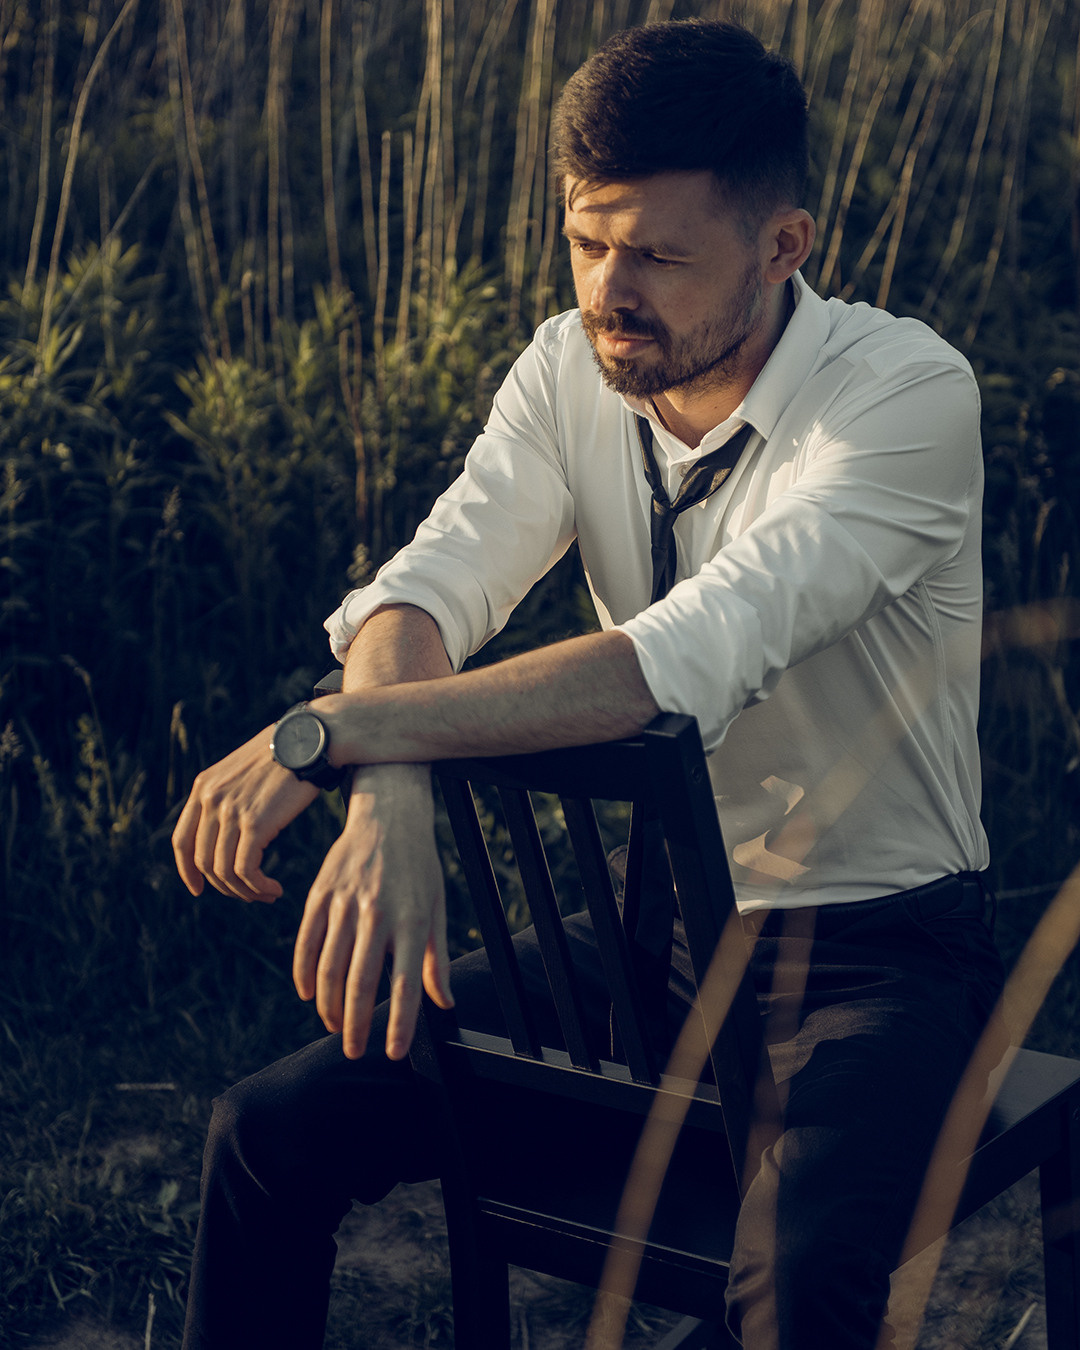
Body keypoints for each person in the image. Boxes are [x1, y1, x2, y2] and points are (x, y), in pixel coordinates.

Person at [172, 18, 1005, 1350]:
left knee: (795, 1293)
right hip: (655, 941)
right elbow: (421, 593)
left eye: (659, 255)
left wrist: (331, 732)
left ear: (783, 245)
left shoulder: (905, 396)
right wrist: (387, 789)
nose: (610, 290)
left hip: (876, 962)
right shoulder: (570, 368)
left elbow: (672, 662)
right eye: (586, 241)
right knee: (266, 1134)